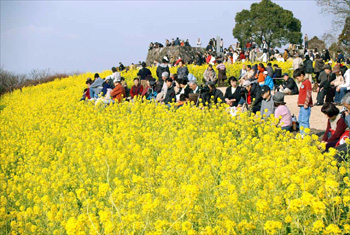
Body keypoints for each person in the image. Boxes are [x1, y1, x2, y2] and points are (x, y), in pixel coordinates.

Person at [294, 68, 313, 134]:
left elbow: (308, 93)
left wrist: (306, 103)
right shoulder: (303, 83)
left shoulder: (307, 82)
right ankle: (302, 133)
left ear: (302, 75)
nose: (298, 80)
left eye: (297, 78)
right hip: (302, 105)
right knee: (300, 120)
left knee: (304, 121)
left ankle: (305, 134)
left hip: (305, 106)